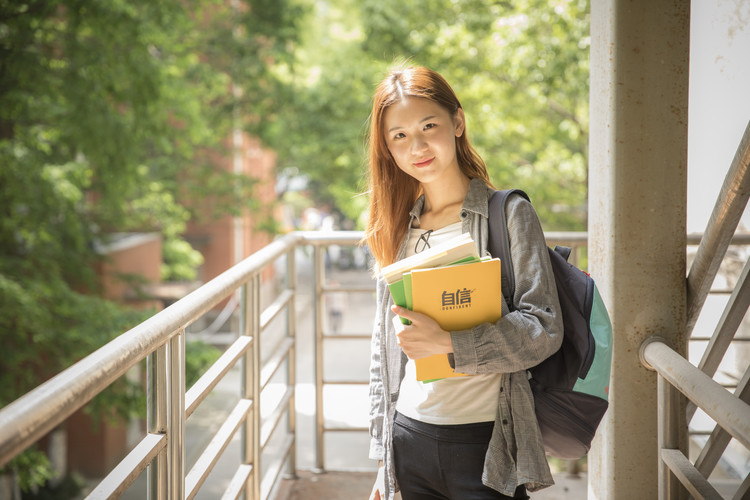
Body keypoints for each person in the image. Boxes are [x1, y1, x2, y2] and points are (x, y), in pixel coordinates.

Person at [364, 65, 564, 500]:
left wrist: (450, 344)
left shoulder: (507, 214)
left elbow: (544, 328)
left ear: (457, 122)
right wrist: (384, 462)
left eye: (428, 126)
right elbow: (384, 350)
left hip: (485, 445)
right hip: (409, 441)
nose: (416, 146)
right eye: (399, 136)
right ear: (387, 149)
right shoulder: (397, 229)